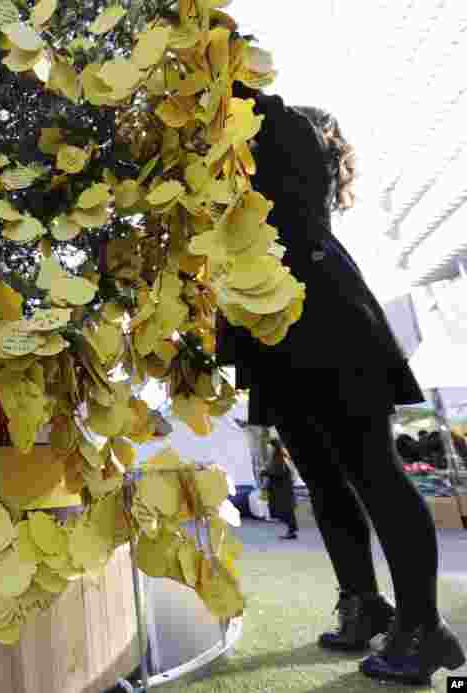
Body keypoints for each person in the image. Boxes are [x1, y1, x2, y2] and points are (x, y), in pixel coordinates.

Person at [218, 83, 465, 684]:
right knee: (326, 483)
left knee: (374, 472)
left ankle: (424, 628)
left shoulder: (292, 145)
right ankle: (365, 604)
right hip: (280, 342)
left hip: (331, 329)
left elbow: (266, 114)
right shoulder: (258, 182)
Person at [262, 440, 298, 540]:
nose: (268, 449)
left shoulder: (280, 458)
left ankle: (292, 531)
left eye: (270, 447)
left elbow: (278, 473)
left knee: (286, 510)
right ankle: (292, 530)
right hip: (281, 489)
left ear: (274, 447)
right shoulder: (278, 457)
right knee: (286, 510)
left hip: (283, 490)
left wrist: (265, 472)